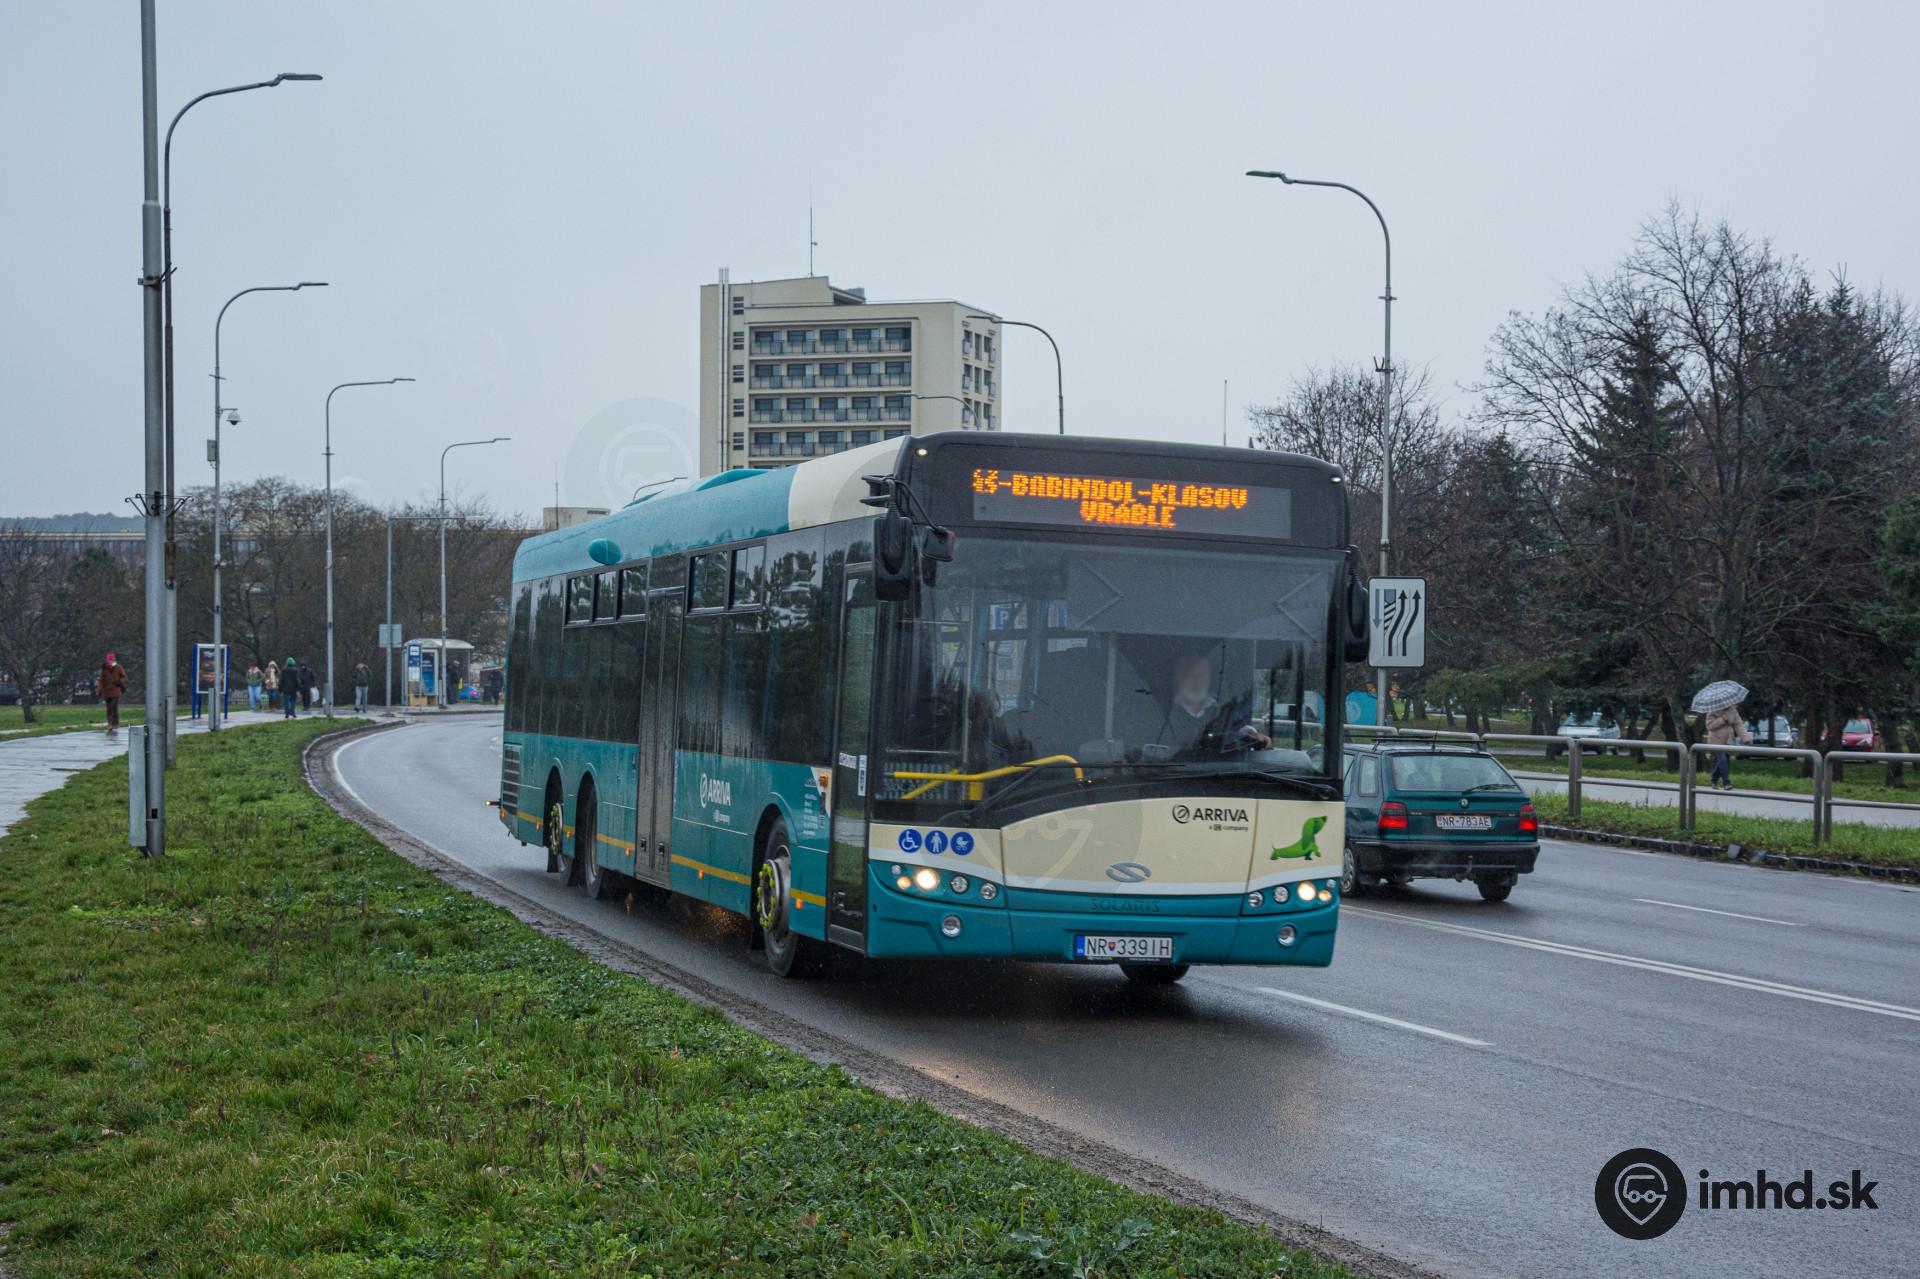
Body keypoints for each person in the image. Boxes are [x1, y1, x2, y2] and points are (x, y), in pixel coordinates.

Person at [1158, 653, 1270, 757]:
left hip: (1220, 770)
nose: (1197, 681)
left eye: (1201, 674)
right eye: (1189, 675)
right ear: (1177, 678)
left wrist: (1257, 739)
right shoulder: (1162, 712)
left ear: (1209, 677)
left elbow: (1238, 733)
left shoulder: (1225, 709)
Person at [1705, 701, 1751, 790]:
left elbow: (1738, 724)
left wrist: (1745, 738)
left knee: (1724, 761)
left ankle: (1713, 780)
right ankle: (1727, 783)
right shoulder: (1712, 709)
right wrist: (1722, 719)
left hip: (1728, 740)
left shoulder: (1732, 710)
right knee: (1722, 760)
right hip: (1716, 739)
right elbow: (1709, 726)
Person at [96, 652, 128, 735]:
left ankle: (115, 723)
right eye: (109, 660)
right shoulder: (104, 669)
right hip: (107, 691)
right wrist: (100, 689)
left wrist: (120, 681)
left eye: (111, 660)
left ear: (114, 660)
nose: (110, 661)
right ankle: (110, 723)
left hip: (116, 690)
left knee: (114, 707)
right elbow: (101, 680)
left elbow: (123, 676)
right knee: (109, 708)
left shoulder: (118, 667)